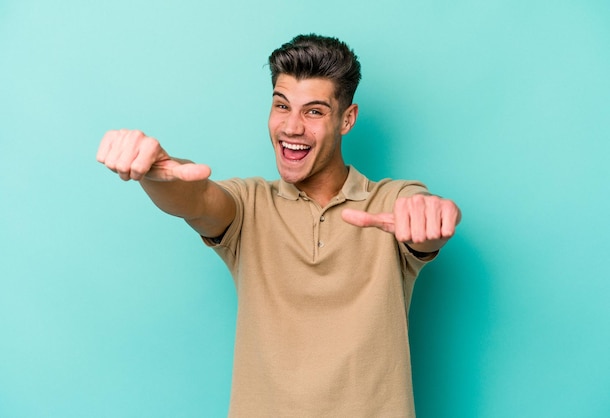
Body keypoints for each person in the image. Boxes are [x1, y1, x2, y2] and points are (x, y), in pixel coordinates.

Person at [97, 34, 461, 417]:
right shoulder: (248, 203)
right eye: (281, 105)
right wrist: (156, 173)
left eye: (314, 111)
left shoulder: (389, 202)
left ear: (347, 119)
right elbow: (198, 199)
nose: (291, 127)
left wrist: (431, 217)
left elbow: (422, 214)